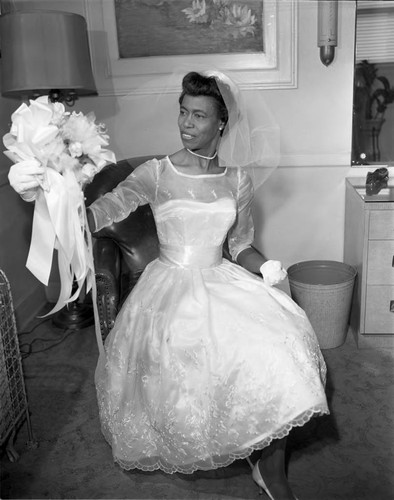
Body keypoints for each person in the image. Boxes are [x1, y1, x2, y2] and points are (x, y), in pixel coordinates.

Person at [8, 71, 329, 500]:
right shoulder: (156, 173)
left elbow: (241, 244)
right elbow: (96, 216)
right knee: (201, 360)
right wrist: (49, 198)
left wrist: (266, 266)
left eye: (198, 115)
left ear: (221, 123)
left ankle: (269, 464)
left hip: (222, 279)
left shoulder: (238, 181)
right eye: (182, 111)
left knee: (283, 343)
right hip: (171, 288)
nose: (185, 123)